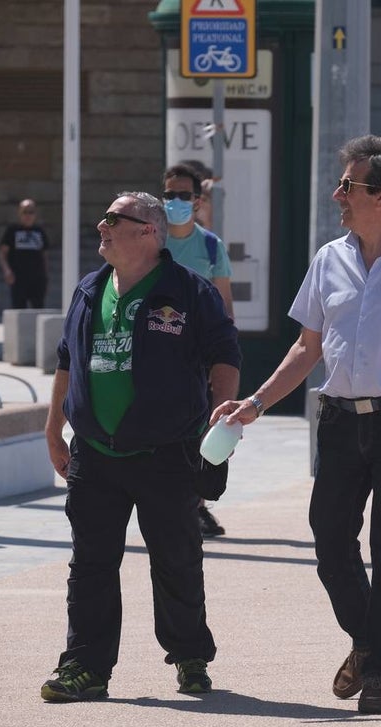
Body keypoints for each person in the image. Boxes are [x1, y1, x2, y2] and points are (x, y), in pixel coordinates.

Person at [207, 135, 381, 715]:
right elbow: (307, 348)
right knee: (330, 540)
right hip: (337, 420)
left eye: (348, 186)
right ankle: (368, 641)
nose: (337, 194)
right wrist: (253, 405)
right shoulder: (328, 257)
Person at [40, 191, 242, 702]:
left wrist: (222, 421)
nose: (101, 226)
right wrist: (52, 429)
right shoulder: (88, 289)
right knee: (90, 565)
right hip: (94, 453)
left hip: (167, 452)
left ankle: (191, 657)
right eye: (103, 217)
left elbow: (224, 355)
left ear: (148, 232)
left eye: (114, 219)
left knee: (176, 560)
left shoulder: (189, 291)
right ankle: (85, 667)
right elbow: (68, 360)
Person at [163, 163, 234, 539]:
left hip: (198, 359)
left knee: (203, 433)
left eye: (183, 195)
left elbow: (224, 305)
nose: (175, 201)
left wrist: (222, 359)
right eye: (169, 194)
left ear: (197, 200)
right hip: (155, 358)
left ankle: (198, 505)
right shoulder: (151, 242)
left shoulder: (210, 245)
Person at [0, 199, 50, 309]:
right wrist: (7, 271)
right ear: (20, 213)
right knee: (19, 310)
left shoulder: (39, 231)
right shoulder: (12, 231)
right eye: (25, 212)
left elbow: (44, 255)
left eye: (31, 212)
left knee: (38, 308)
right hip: (18, 278)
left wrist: (45, 275)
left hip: (37, 278)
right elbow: (3, 253)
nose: (28, 215)